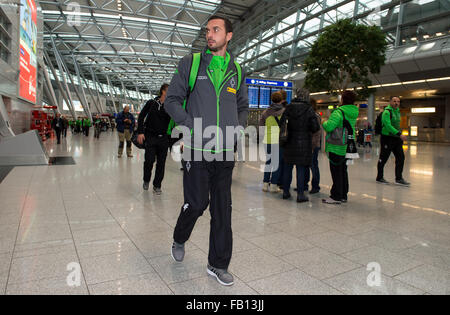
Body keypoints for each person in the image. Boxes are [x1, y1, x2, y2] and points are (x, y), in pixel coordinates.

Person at [165, 15, 248, 286]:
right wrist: (191, 125)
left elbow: (242, 106)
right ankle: (180, 237)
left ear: (229, 36)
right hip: (197, 149)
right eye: (208, 30)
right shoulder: (191, 63)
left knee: (223, 209)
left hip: (225, 152)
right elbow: (172, 101)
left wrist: (238, 128)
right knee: (198, 204)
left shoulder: (237, 70)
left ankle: (218, 264)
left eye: (216, 30)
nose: (209, 34)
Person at [280, 88, 320, 202]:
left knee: (288, 168)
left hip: (289, 142)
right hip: (303, 143)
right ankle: (300, 194)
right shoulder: (309, 109)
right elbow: (315, 127)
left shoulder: (288, 108)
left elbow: (281, 123)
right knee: (301, 169)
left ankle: (286, 192)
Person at [322, 90, 359, 204]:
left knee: (336, 172)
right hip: (348, 145)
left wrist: (324, 122)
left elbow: (329, 127)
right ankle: (343, 195)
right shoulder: (354, 111)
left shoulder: (339, 112)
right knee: (343, 171)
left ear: (343, 100)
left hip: (336, 146)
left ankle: (336, 196)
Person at [137, 84, 171, 194]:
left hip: (163, 138)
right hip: (150, 136)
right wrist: (141, 132)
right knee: (149, 160)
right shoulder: (151, 103)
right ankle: (146, 180)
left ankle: (157, 185)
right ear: (162, 91)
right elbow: (141, 116)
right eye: (168, 90)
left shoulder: (171, 105)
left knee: (161, 163)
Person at [376, 96, 410, 186]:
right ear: (390, 102)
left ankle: (399, 178)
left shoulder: (398, 112)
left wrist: (398, 135)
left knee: (401, 157)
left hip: (396, 139)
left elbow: (396, 125)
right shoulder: (387, 112)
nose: (396, 103)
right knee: (383, 158)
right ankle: (379, 177)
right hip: (387, 138)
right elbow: (387, 125)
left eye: (398, 101)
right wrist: (399, 134)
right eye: (394, 101)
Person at [260, 91, 285, 193]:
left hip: (267, 140)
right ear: (281, 100)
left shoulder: (265, 112)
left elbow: (261, 127)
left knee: (268, 162)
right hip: (278, 140)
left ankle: (265, 184)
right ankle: (274, 185)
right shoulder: (284, 112)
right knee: (276, 163)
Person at [305, 98, 322, 194]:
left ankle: (315, 186)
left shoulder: (314, 116)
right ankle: (305, 184)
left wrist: (312, 145)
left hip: (312, 145)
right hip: (312, 144)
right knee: (308, 165)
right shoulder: (315, 115)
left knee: (313, 165)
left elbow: (315, 133)